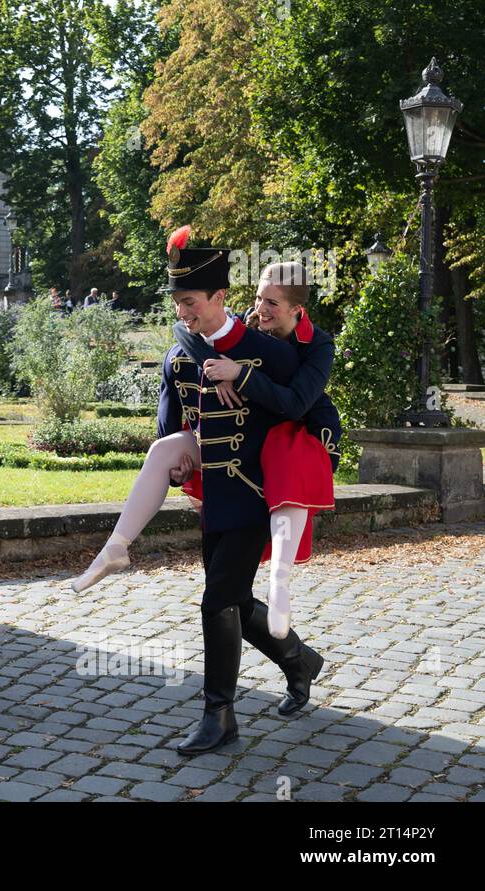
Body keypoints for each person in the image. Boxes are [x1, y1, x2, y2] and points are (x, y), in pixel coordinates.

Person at [74, 226, 325, 755]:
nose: (183, 313)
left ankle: (220, 716)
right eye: (177, 303)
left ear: (218, 298)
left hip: (257, 495)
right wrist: (173, 468)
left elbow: (305, 409)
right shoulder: (176, 356)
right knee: (232, 596)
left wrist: (247, 380)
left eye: (191, 302)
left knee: (216, 601)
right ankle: (299, 660)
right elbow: (169, 426)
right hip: (211, 499)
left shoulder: (267, 352)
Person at [171, 261, 341, 638]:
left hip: (303, 436)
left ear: (297, 310)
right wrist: (215, 367)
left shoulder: (319, 345)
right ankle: (299, 663)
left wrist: (240, 375)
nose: (260, 309)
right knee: (230, 594)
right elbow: (185, 332)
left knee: (224, 594)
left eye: (272, 303)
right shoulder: (247, 326)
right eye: (258, 298)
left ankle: (281, 580)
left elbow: (297, 404)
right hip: (246, 449)